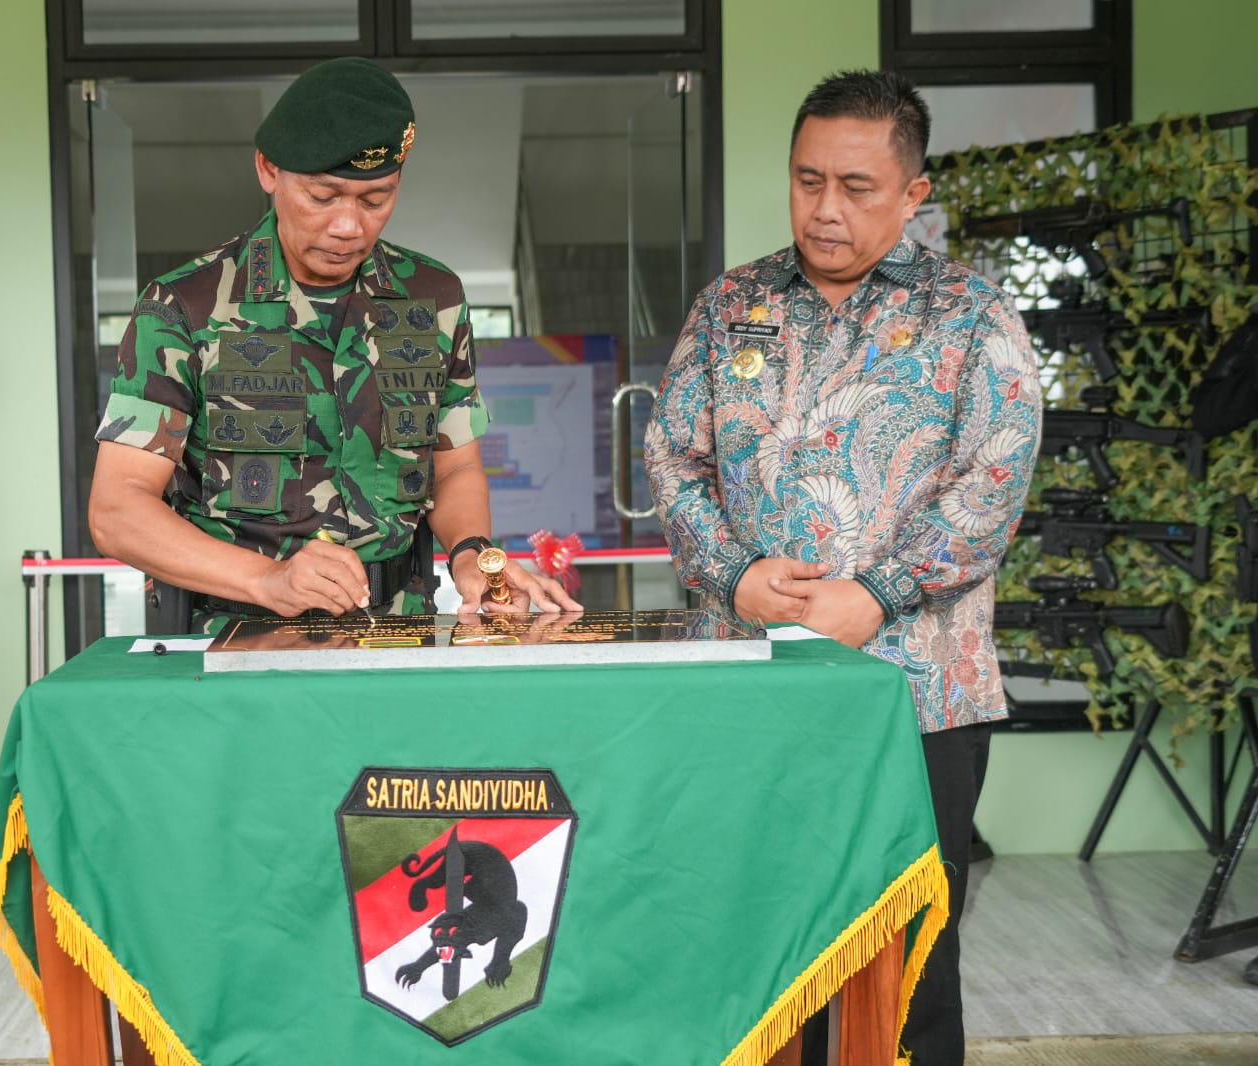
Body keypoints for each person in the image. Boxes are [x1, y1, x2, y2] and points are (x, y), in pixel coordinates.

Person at [644, 69, 1041, 1065]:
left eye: (856, 187)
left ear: (913, 195)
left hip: (917, 692)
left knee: (911, 945)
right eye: (806, 178)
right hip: (756, 686)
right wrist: (732, 573)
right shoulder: (732, 305)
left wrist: (879, 592)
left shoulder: (970, 315)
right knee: (759, 932)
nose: (825, 208)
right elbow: (673, 458)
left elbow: (993, 481)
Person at [88, 57, 579, 632]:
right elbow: (117, 509)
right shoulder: (185, 307)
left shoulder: (432, 298)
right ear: (268, 169)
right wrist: (266, 579)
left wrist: (471, 556)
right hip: (237, 638)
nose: (349, 226)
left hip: (401, 633)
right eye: (324, 196)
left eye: (375, 199)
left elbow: (455, 467)